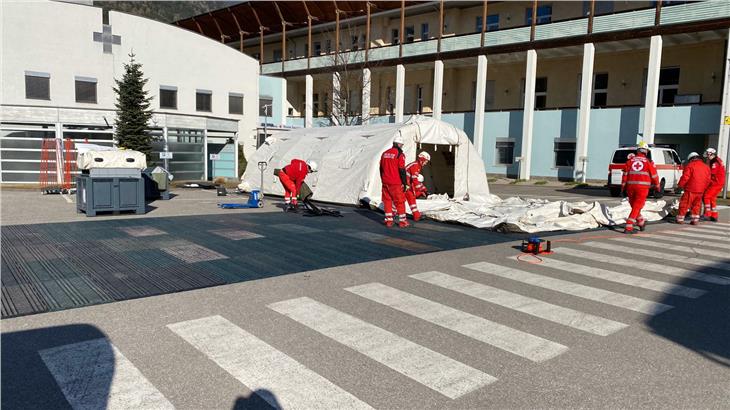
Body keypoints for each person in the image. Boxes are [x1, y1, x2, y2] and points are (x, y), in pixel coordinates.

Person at [621, 141, 659, 234]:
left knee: (634, 206)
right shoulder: (648, 162)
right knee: (637, 206)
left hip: (630, 187)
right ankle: (629, 226)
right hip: (642, 188)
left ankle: (641, 222)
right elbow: (654, 175)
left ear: (638, 150)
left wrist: (623, 188)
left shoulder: (630, 161)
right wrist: (657, 186)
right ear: (646, 151)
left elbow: (624, 175)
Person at [380, 135, 409, 227]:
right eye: (402, 145)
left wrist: (383, 179)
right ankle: (402, 221)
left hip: (385, 182)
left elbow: (381, 168)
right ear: (399, 144)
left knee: (387, 201)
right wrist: (405, 183)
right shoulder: (399, 154)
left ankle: (389, 221)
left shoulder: (384, 153)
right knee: (400, 202)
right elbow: (402, 169)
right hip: (395, 182)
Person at [677, 152, 711, 225]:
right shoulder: (706, 167)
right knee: (697, 205)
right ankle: (695, 220)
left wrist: (680, 185)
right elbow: (708, 180)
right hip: (701, 190)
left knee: (684, 204)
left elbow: (685, 177)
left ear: (691, 159)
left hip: (690, 189)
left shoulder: (690, 166)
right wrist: (704, 188)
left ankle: (680, 219)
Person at [404, 151, 431, 221]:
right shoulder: (415, 165)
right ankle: (393, 214)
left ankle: (416, 216)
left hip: (406, 185)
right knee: (402, 199)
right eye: (426, 161)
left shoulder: (416, 165)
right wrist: (421, 191)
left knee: (410, 199)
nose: (426, 163)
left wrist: (424, 190)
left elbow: (417, 182)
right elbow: (415, 180)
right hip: (403, 185)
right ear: (422, 160)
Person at [702, 147, 726, 222]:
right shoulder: (717, 160)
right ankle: (714, 215)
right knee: (712, 198)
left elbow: (712, 173)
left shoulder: (714, 162)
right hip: (719, 182)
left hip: (716, 183)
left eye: (707, 153)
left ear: (710, 154)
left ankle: (708, 214)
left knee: (706, 196)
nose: (706, 155)